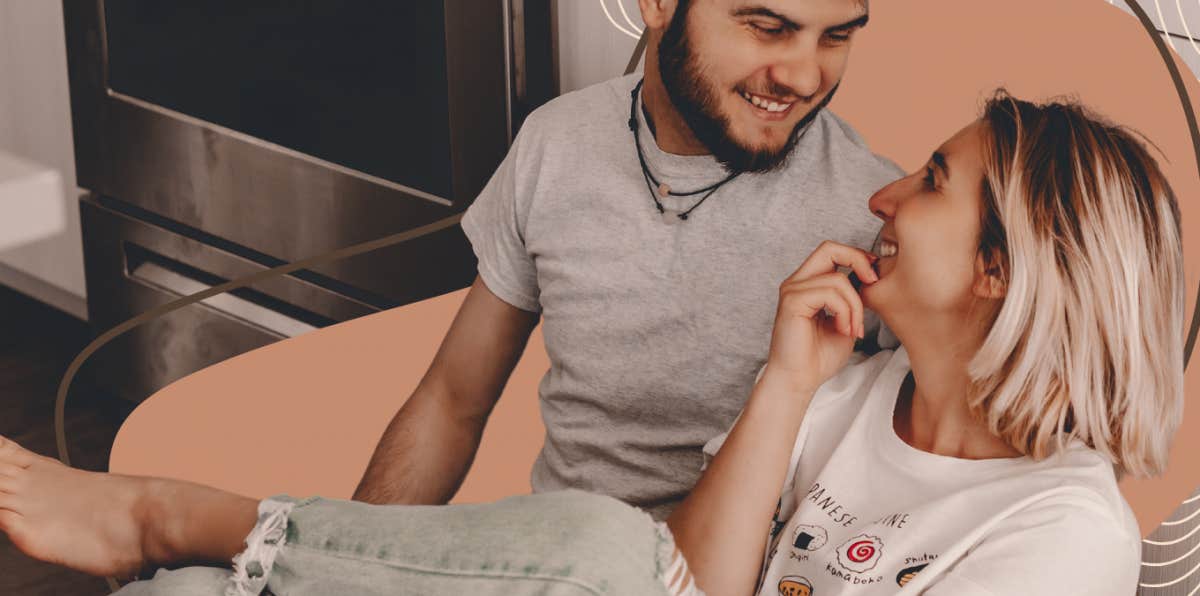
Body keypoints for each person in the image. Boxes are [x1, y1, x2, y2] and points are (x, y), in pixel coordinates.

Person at [0, 91, 1182, 595]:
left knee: (605, 549)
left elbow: (651, 578)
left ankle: (176, 508)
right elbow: (700, 578)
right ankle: (195, 545)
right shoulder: (845, 395)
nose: (880, 199)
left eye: (931, 182)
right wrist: (783, 380)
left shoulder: (1066, 530)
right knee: (196, 593)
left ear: (999, 268)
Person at [351, 0, 902, 522]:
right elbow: (451, 401)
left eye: (837, 34)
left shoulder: (879, 216)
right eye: (767, 27)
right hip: (554, 553)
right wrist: (344, 555)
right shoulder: (558, 140)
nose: (804, 79)